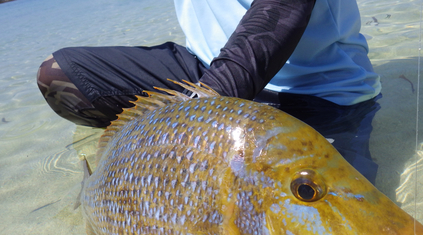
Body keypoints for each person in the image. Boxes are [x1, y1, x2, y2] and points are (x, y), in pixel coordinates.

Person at [37, 0, 381, 182]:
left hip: (314, 96)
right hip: (203, 67)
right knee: (62, 79)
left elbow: (281, 8)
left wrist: (198, 116)